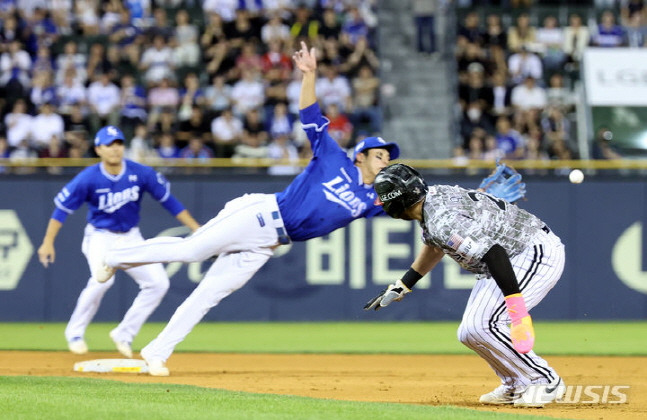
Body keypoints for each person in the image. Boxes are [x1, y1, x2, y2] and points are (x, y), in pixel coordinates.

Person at [93, 41, 401, 376]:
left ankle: (157, 351)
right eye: (380, 155)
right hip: (259, 215)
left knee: (209, 293)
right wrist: (309, 75)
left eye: (388, 156)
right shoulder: (333, 157)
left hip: (269, 243)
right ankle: (113, 257)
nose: (386, 160)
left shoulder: (373, 200)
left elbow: (410, 207)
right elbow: (310, 115)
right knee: (192, 249)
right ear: (361, 155)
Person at [365, 163, 566, 408]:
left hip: (531, 252)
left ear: (395, 203)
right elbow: (435, 244)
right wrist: (404, 284)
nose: (383, 206)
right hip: (509, 257)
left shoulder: (442, 220)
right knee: (470, 331)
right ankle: (517, 383)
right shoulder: (430, 203)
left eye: (384, 201)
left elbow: (494, 253)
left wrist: (516, 309)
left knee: (485, 325)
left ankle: (544, 380)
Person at [37, 125, 200, 358]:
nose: (115, 149)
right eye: (109, 145)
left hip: (131, 238)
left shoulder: (141, 173)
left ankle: (124, 333)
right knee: (102, 281)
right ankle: (74, 332)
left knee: (158, 283)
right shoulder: (89, 177)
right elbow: (61, 210)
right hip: (100, 237)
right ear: (98, 149)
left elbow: (169, 202)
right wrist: (47, 242)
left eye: (119, 143)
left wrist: (195, 227)